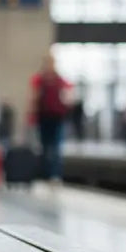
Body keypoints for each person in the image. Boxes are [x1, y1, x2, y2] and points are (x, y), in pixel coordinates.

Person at [30, 53, 71, 181]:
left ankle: (55, 174)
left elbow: (68, 98)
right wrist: (32, 117)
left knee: (56, 146)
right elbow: (34, 99)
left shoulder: (60, 80)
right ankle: (47, 173)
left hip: (57, 118)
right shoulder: (39, 80)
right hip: (44, 118)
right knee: (45, 146)